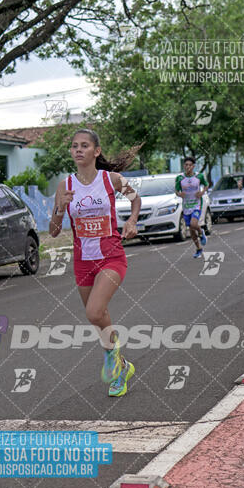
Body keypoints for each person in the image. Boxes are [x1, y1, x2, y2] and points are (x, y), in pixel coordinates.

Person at [49, 129, 141, 397]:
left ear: (96, 151)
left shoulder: (111, 179)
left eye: (84, 146)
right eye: (74, 146)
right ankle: (121, 366)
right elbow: (53, 231)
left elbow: (135, 199)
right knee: (99, 317)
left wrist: (132, 220)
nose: (78, 150)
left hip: (111, 256)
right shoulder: (65, 185)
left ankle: (113, 361)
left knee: (93, 311)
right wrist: (59, 208)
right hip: (82, 261)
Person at [175, 157, 208, 258]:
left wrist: (201, 192)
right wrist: (180, 194)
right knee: (191, 229)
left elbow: (206, 185)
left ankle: (201, 231)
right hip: (186, 206)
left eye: (190, 165)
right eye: (186, 165)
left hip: (196, 204)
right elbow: (177, 191)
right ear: (184, 166)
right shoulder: (180, 178)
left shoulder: (199, 176)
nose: (188, 167)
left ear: (193, 166)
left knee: (194, 224)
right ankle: (198, 249)